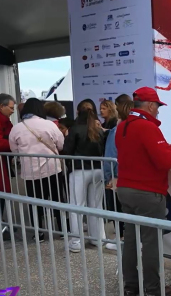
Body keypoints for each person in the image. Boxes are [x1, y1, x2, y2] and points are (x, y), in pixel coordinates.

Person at [116, 87, 171, 296]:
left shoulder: (122, 126)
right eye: (158, 106)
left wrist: (166, 148)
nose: (159, 111)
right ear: (150, 106)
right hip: (148, 192)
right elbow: (165, 162)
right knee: (151, 242)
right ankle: (153, 290)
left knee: (130, 240)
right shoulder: (148, 127)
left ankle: (130, 287)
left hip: (125, 189)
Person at [9, 98, 64, 239]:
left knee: (35, 202)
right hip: (52, 169)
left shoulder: (17, 128)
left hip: (30, 172)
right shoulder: (49, 125)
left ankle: (38, 233)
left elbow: (14, 150)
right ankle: (64, 230)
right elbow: (61, 144)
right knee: (57, 200)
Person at [63, 105, 106, 253]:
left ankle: (76, 241)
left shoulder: (75, 130)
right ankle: (98, 238)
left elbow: (67, 150)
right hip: (98, 170)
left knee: (76, 206)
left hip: (79, 170)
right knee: (96, 205)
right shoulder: (99, 131)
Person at [103, 100, 133, 250]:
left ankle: (121, 239)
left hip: (118, 175)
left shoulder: (116, 130)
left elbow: (110, 155)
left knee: (118, 207)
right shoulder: (134, 128)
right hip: (130, 175)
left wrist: (109, 176)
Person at [0, 94, 15, 241]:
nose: (13, 111)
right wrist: (14, 144)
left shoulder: (5, 121)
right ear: (1, 106)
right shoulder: (2, 121)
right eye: (11, 108)